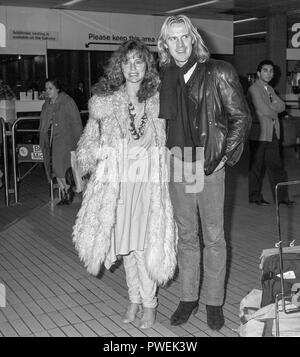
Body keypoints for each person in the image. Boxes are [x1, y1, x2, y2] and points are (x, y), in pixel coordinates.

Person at [72, 40, 177, 329]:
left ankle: (150, 304)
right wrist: (91, 161)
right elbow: (88, 144)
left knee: (144, 246)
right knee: (126, 246)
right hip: (118, 186)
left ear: (148, 66)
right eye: (127, 62)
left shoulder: (159, 100)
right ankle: (133, 298)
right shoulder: (105, 103)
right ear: (120, 66)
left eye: (139, 62)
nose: (133, 68)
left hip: (148, 185)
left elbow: (173, 142)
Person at [157, 15, 251, 330]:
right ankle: (187, 298)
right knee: (186, 236)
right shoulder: (166, 74)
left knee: (213, 237)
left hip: (207, 162)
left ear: (194, 39)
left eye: (185, 37)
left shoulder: (218, 71)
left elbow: (241, 117)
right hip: (178, 161)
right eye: (173, 38)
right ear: (165, 44)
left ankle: (213, 301)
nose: (180, 44)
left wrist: (223, 155)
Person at [247, 60, 295, 206]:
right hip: (259, 133)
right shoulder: (254, 89)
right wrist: (273, 108)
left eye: (271, 71)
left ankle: (281, 198)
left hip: (273, 133)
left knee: (276, 166)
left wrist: (272, 108)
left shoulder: (270, 89)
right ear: (259, 73)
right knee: (257, 167)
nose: (269, 73)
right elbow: (264, 110)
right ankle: (255, 197)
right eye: (265, 70)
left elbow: (282, 106)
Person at [39, 78, 83, 205]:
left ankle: (68, 191)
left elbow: (76, 123)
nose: (47, 91)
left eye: (50, 88)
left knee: (60, 169)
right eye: (46, 88)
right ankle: (64, 192)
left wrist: (79, 142)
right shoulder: (46, 104)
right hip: (50, 141)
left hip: (64, 140)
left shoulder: (67, 101)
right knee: (54, 170)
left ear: (57, 89)